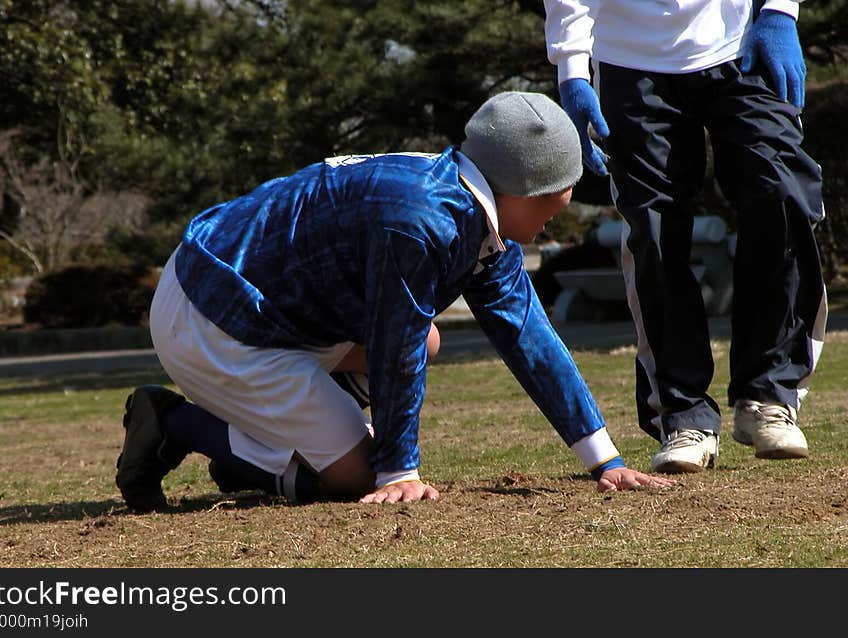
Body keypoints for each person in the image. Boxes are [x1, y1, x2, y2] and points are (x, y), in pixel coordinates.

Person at [115, 91, 676, 511]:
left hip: (262, 304)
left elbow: (526, 334)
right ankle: (174, 423)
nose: (556, 220)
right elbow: (393, 346)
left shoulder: (467, 204)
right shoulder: (421, 221)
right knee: (354, 477)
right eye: (552, 206)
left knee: (429, 339)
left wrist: (605, 460)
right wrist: (397, 473)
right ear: (517, 188)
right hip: (214, 313)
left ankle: (266, 450)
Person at [544, 1, 827, 473]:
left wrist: (779, 12)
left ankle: (769, 396)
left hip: (740, 40)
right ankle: (683, 414)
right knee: (652, 230)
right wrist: (572, 68)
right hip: (629, 59)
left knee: (786, 193)